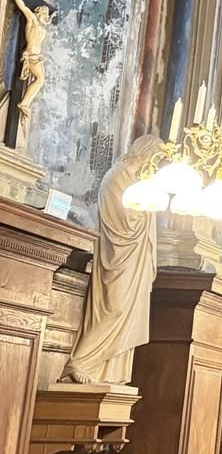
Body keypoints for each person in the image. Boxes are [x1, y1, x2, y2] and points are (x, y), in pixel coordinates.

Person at [62, 134, 162, 388]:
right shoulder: (117, 176)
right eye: (156, 158)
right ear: (145, 153)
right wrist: (146, 208)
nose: (156, 165)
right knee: (114, 307)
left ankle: (107, 370)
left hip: (135, 257)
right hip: (118, 254)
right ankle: (79, 362)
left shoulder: (137, 181)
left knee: (126, 310)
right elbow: (122, 221)